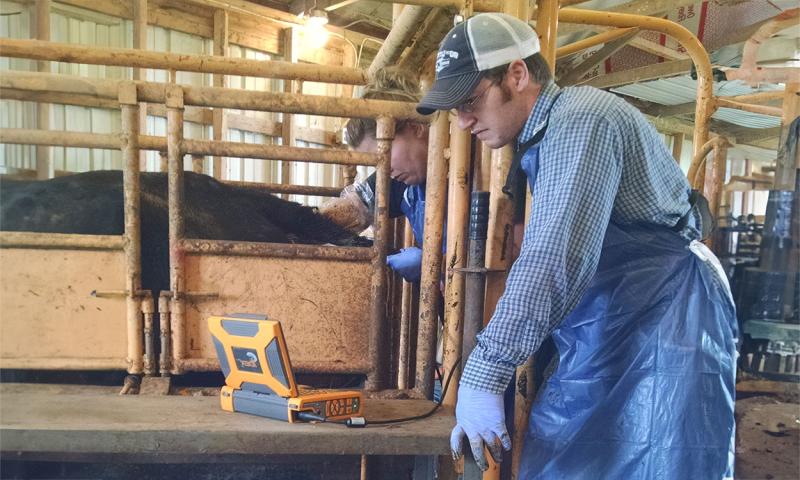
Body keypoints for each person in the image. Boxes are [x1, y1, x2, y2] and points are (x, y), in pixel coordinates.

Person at [416, 13, 737, 479]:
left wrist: (485, 370)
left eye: (471, 100)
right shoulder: (542, 140)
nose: (464, 121)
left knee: (657, 458)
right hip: (627, 314)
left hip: (670, 319)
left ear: (518, 74)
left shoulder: (581, 119)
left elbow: (554, 256)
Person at [320, 68, 432, 283]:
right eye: (376, 162)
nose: (384, 169)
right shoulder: (399, 179)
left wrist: (435, 264)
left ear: (415, 127)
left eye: (385, 153)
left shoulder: (477, 168)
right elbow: (352, 209)